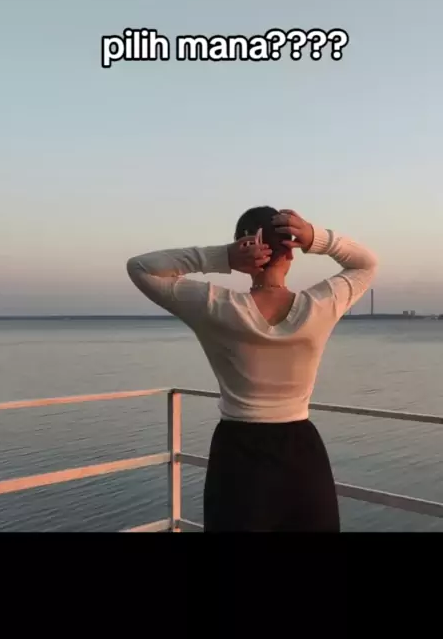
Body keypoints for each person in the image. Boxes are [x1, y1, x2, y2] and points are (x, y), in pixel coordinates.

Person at [127, 207, 377, 532]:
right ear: (291, 252)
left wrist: (223, 257)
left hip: (237, 454)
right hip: (302, 454)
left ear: (244, 250)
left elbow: (140, 267)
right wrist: (316, 238)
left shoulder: (214, 305)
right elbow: (366, 264)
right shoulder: (321, 304)